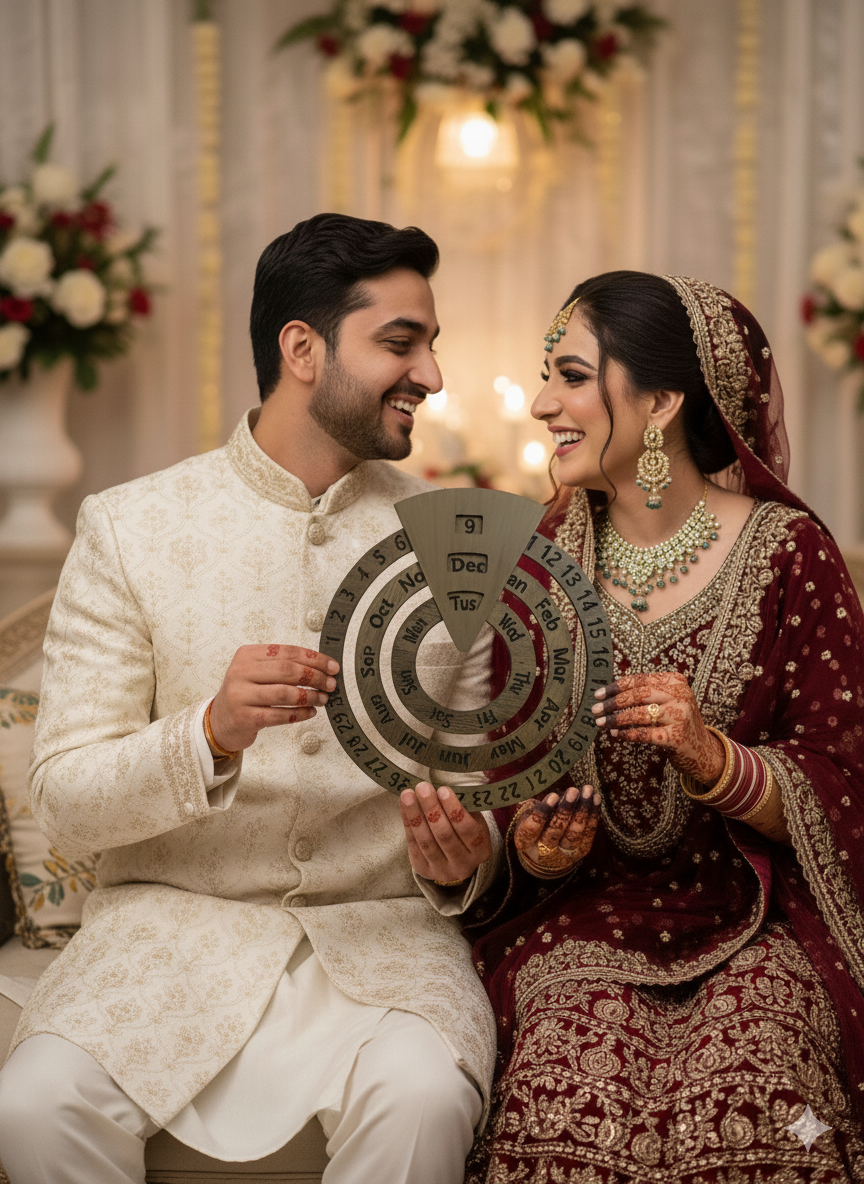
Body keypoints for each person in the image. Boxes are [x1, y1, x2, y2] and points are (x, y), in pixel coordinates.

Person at [0, 213, 501, 1184]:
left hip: (383, 947)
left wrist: (461, 859)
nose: (432, 373)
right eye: (402, 341)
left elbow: (477, 804)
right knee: (33, 1105)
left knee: (425, 1096)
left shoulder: (458, 540)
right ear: (302, 349)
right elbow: (65, 794)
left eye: (430, 341)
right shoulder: (131, 525)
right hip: (165, 941)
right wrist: (210, 732)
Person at [465, 272, 864, 1182]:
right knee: (569, 1102)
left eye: (570, 376)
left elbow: (848, 778)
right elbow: (508, 789)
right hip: (583, 931)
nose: (540, 404)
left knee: (762, 1100)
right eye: (547, 377)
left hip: (762, 926)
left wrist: (716, 760)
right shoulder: (539, 567)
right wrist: (529, 844)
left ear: (660, 401)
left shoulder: (791, 556)